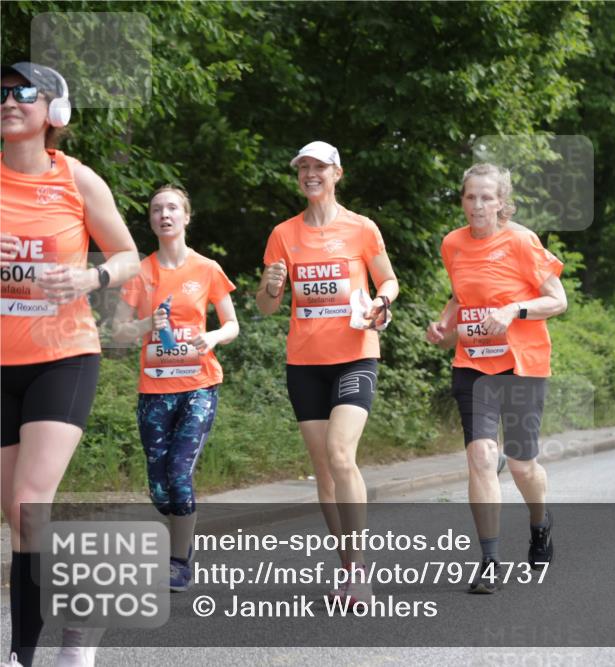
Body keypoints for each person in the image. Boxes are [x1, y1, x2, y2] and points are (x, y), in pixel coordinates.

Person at [1, 62, 140, 667]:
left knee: (31, 501)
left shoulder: (77, 180)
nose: (9, 100)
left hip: (64, 355)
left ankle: (22, 656)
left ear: (55, 112)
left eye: (23, 92)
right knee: (17, 515)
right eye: (2, 92)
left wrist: (90, 276)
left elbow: (129, 256)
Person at [256, 141, 398, 607]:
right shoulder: (283, 234)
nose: (311, 174)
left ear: (337, 173)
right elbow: (268, 305)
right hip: (304, 362)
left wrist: (383, 302)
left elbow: (389, 280)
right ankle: (346, 566)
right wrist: (270, 287)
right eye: (304, 168)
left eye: (320, 167)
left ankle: (359, 570)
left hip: (355, 354)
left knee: (340, 454)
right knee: (323, 471)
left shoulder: (361, 228)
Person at [425, 163, 566, 593]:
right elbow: (460, 294)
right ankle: (489, 561)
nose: (478, 205)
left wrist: (512, 311)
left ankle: (540, 523)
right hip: (472, 365)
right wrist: (443, 323)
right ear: (463, 200)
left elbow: (557, 300)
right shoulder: (453, 244)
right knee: (482, 457)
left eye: (487, 197)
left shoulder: (522, 241)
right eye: (470, 197)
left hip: (521, 365)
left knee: (522, 465)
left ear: (502, 202)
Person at [112, 185, 239, 593]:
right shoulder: (140, 272)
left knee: (180, 473)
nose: (164, 214)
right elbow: (118, 331)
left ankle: (179, 560)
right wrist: (150, 325)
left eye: (171, 208)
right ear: (151, 220)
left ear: (186, 217)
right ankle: (180, 528)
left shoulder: (207, 268)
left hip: (199, 385)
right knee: (160, 485)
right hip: (154, 390)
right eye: (156, 209)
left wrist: (215, 337)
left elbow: (232, 324)